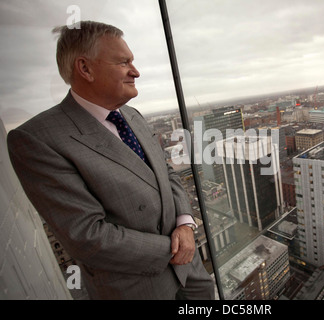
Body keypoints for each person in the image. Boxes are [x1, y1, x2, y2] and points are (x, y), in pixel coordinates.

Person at [7, 21, 215, 300]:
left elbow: (167, 174)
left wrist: (186, 224)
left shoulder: (133, 116)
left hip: (191, 274)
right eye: (123, 62)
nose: (136, 71)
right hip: (137, 289)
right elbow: (87, 236)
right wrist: (175, 247)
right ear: (85, 68)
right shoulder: (37, 140)